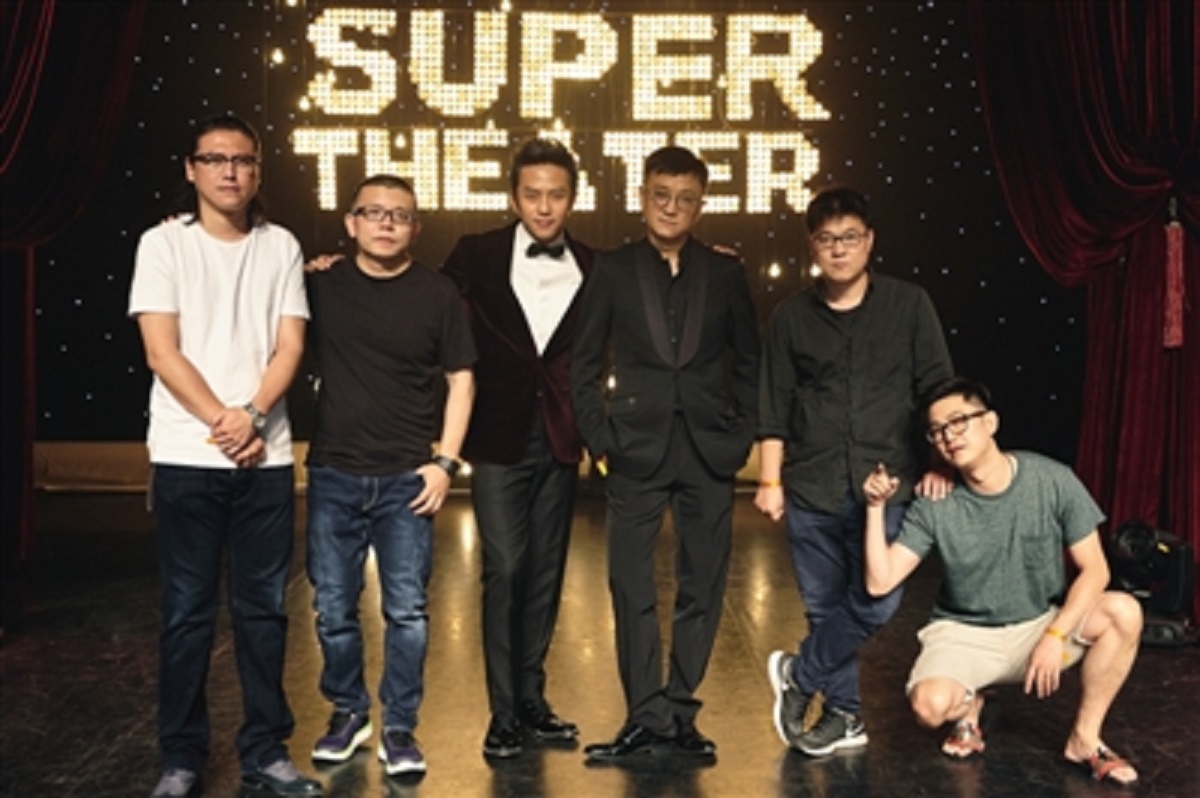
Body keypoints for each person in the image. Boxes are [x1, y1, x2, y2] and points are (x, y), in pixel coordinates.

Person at [129, 113, 321, 797]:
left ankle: (266, 750)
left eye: (242, 160)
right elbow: (161, 352)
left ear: (258, 171)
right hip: (188, 456)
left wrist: (253, 416)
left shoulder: (280, 245)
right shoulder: (162, 244)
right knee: (187, 613)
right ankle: (181, 758)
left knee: (264, 613)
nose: (230, 172)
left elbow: (290, 346)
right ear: (191, 169)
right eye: (215, 159)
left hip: (264, 459)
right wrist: (223, 419)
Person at [570, 145, 760, 761]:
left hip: (709, 450)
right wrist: (600, 442)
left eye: (684, 199)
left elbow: (749, 362)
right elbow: (584, 363)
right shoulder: (613, 269)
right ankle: (645, 715)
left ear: (700, 205)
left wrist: (741, 436)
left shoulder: (725, 272)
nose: (671, 208)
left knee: (703, 585)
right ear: (642, 197)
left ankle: (680, 712)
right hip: (634, 449)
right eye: (661, 195)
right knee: (631, 586)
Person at [862, 377, 1142, 787]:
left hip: (1039, 626)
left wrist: (1055, 634)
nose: (948, 436)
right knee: (928, 707)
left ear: (991, 422)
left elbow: (1096, 570)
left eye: (959, 421)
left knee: (1123, 611)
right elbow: (879, 582)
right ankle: (970, 704)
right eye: (937, 430)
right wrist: (875, 508)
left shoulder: (1052, 479)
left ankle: (1084, 740)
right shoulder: (935, 502)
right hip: (964, 634)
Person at [755, 186, 953, 757]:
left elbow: (937, 387)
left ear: (869, 241)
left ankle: (799, 674)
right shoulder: (792, 317)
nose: (838, 249)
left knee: (878, 600)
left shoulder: (909, 305)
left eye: (849, 237)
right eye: (827, 239)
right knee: (823, 609)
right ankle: (845, 715)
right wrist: (769, 480)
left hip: (888, 486)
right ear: (812, 246)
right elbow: (773, 402)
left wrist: (942, 463)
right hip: (812, 483)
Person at [303, 175, 476, 777]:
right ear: (350, 223)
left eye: (399, 215)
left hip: (407, 479)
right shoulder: (319, 284)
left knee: (407, 612)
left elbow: (461, 379)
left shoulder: (437, 293)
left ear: (415, 228)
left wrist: (445, 462)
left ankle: (400, 727)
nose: (385, 223)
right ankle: (349, 713)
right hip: (333, 473)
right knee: (333, 609)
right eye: (373, 212)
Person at [441, 138, 592, 759]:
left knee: (544, 573)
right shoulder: (474, 254)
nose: (544, 207)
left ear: (572, 198)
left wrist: (704, 261)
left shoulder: (596, 265)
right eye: (533, 195)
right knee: (504, 567)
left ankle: (531, 699)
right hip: (496, 433)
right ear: (513, 197)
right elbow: (424, 306)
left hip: (560, 434)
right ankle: (502, 711)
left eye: (556, 195)